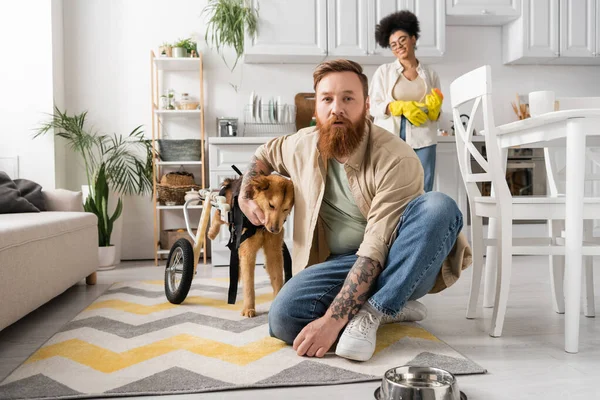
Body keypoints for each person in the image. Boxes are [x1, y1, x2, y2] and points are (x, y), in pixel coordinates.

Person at [238, 59, 471, 362]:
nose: (337, 108)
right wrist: (245, 196)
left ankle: (374, 313)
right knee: (282, 320)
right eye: (327, 99)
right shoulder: (301, 145)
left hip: (398, 260)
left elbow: (375, 248)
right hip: (338, 265)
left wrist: (333, 320)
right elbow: (263, 154)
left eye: (348, 98)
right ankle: (392, 305)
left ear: (366, 105)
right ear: (316, 108)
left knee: (440, 207)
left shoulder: (395, 156)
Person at [369, 10, 443, 192]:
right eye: (393, 44)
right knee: (391, 185)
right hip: (391, 136)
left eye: (402, 40)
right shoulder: (384, 72)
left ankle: (423, 220)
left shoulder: (431, 74)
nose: (398, 46)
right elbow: (373, 107)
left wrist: (435, 111)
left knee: (423, 186)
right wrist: (396, 106)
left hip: (423, 137)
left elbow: (436, 112)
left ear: (413, 39)